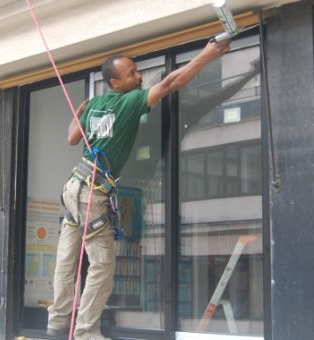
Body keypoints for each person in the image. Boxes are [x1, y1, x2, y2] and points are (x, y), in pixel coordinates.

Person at [47, 39, 231, 340]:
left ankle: (57, 325)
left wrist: (79, 111)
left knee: (67, 259)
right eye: (132, 74)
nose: (139, 77)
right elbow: (173, 82)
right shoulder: (129, 102)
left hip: (74, 188)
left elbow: (71, 138)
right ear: (115, 83)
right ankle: (85, 333)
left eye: (137, 71)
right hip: (92, 192)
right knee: (102, 266)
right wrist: (207, 54)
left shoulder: (93, 105)